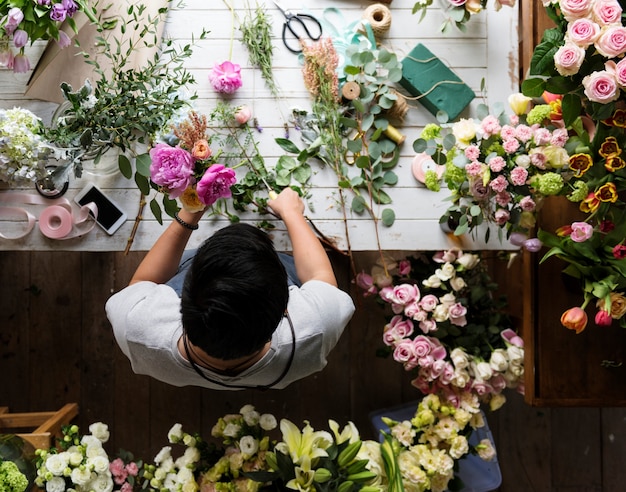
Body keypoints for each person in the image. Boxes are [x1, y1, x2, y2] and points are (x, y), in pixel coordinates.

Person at [105, 188, 355, 390]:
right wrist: (292, 213)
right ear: (285, 308)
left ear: (182, 297)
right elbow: (320, 277)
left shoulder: (137, 327)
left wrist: (189, 213)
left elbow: (143, 283)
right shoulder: (315, 328)